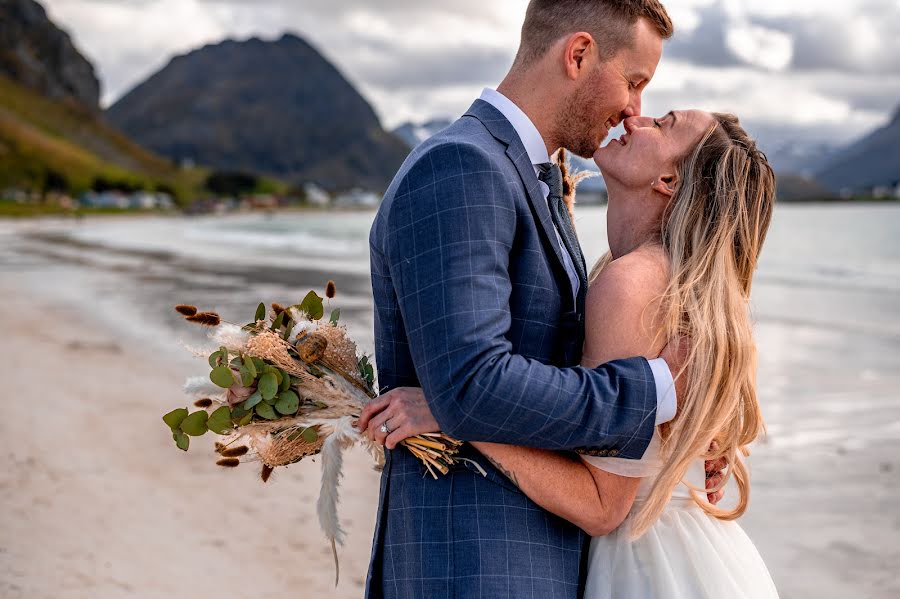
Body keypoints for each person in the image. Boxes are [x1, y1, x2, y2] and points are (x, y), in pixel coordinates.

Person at [360, 1, 726, 597]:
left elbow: (482, 384)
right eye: (634, 82)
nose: (634, 109)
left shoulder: (532, 175)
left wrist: (698, 424)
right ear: (578, 54)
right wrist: (660, 389)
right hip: (473, 565)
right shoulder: (462, 167)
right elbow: (472, 384)